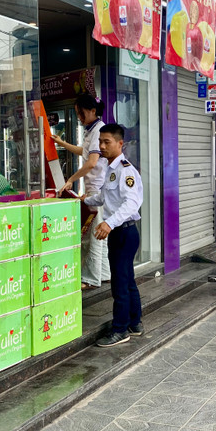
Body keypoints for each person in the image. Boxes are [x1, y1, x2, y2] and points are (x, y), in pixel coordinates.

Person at [83, 124, 144, 347]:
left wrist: (108, 222)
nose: (101, 146)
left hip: (124, 232)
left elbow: (131, 203)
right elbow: (103, 198)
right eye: (100, 142)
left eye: (107, 142)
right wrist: (83, 200)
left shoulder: (126, 170)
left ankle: (120, 330)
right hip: (121, 232)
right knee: (127, 280)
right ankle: (135, 324)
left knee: (119, 283)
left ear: (120, 144)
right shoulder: (110, 168)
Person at [52, 94, 110, 290]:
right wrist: (60, 143)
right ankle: (103, 274)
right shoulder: (93, 130)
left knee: (93, 235)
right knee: (100, 233)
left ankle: (90, 279)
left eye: (81, 112)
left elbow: (92, 162)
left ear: (93, 111)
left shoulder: (99, 130)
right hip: (96, 188)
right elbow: (83, 152)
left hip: (98, 189)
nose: (79, 116)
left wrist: (71, 180)